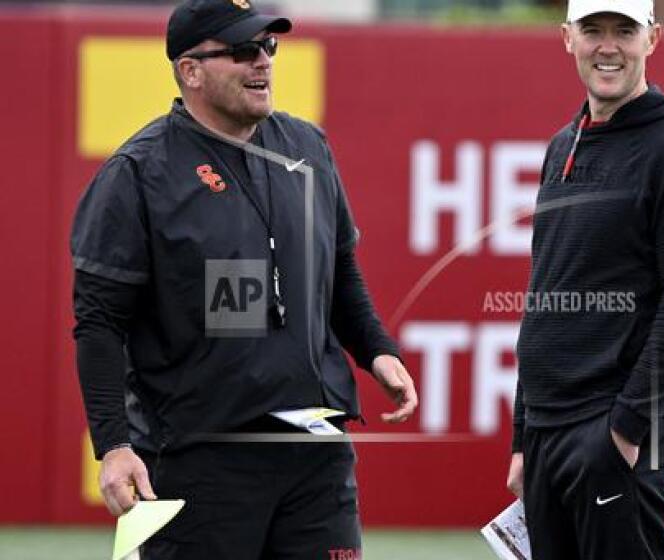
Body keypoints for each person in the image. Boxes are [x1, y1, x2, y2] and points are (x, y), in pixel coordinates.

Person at [71, 1, 417, 558]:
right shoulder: (137, 172)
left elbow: (340, 268)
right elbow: (99, 323)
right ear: (191, 71)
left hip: (315, 451)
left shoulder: (308, 148)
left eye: (269, 47)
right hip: (195, 458)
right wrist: (112, 445)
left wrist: (375, 348)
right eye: (242, 50)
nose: (262, 62)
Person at [506, 0, 664, 558]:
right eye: (593, 30)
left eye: (624, 31)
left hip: (615, 428)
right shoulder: (564, 143)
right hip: (548, 434)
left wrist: (626, 429)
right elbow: (546, 293)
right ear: (566, 38)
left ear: (652, 38)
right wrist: (523, 436)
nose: (608, 46)